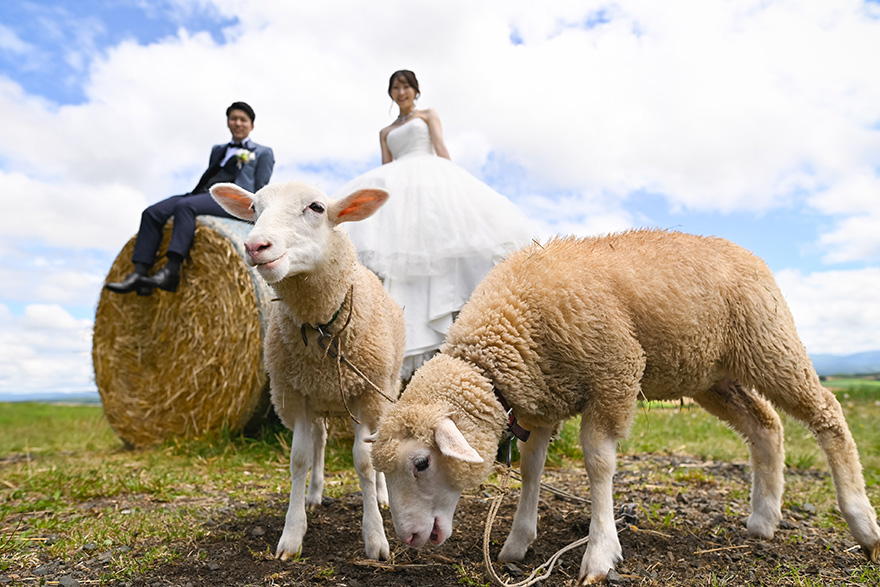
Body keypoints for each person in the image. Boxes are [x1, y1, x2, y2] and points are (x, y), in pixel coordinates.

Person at [337, 70, 535, 378]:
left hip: (430, 178)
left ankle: (452, 341)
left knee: (441, 249)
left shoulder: (428, 115)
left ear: (415, 91)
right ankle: (401, 344)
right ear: (391, 94)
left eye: (406, 86)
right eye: (396, 87)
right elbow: (386, 165)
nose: (401, 92)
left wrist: (455, 184)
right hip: (398, 183)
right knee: (399, 257)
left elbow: (441, 147)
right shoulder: (385, 131)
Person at [106, 101, 275, 295]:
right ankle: (139, 272)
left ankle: (171, 270)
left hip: (232, 201)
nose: (237, 123)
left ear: (251, 125)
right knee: (152, 212)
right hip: (202, 194)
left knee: (185, 207)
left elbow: (260, 190)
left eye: (243, 120)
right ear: (228, 122)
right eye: (233, 119)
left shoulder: (263, 152)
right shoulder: (218, 149)